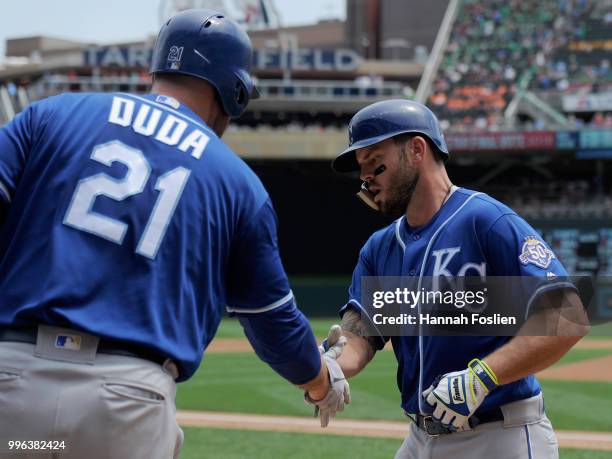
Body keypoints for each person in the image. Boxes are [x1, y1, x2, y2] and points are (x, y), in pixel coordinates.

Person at [0, 9, 347, 459]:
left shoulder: (50, 115)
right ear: (235, 90)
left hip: (13, 391)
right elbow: (274, 326)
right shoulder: (237, 183)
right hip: (123, 413)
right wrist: (321, 383)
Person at [330, 99, 588, 459]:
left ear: (417, 149)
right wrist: (328, 367)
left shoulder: (486, 220)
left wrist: (483, 375)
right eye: (361, 168)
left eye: (374, 162)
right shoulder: (380, 248)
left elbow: (568, 317)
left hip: (500, 436)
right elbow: (364, 336)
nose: (365, 178)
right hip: (420, 438)